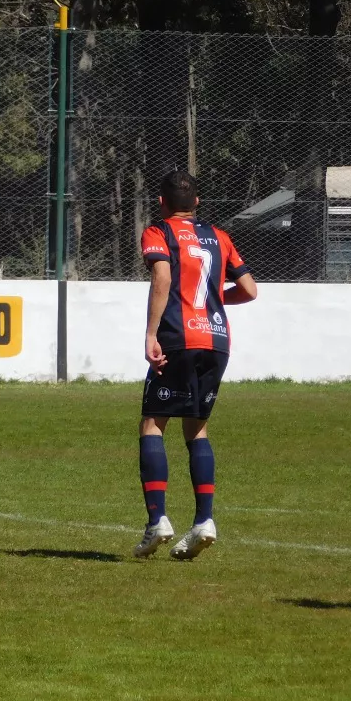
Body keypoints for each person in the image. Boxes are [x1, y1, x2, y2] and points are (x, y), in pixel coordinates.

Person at [134, 170, 257, 560]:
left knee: (153, 423)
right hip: (216, 340)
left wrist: (151, 334)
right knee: (197, 429)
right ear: (198, 202)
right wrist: (213, 302)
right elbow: (250, 290)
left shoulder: (158, 232)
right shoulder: (220, 237)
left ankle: (158, 521)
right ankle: (205, 520)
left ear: (161, 203)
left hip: (178, 337)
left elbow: (162, 277)